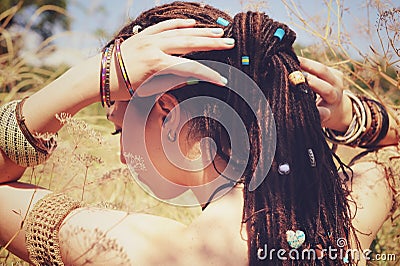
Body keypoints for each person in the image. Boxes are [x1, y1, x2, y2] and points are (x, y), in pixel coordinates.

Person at [0, 1, 398, 265]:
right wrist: (349, 116)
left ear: (169, 114)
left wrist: (99, 75)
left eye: (120, 128)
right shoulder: (344, 217)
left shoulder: (153, 252)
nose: (122, 154)